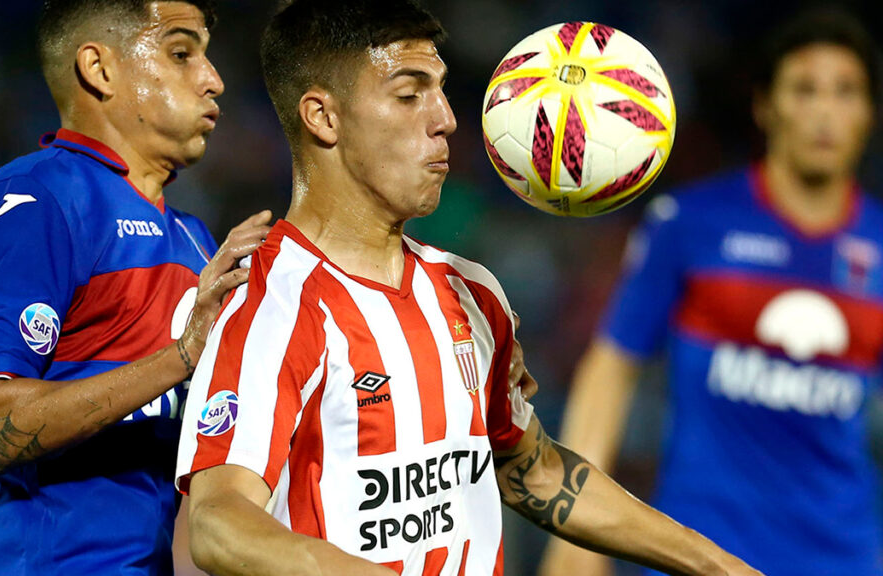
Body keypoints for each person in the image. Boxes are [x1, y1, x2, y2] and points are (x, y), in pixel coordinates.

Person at [173, 1, 763, 574]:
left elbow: (533, 472)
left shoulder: (470, 292)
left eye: (440, 89)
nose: (446, 118)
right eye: (409, 94)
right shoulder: (269, 304)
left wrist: (715, 564)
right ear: (323, 117)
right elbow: (219, 522)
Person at [540, 8, 883, 576]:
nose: (825, 111)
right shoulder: (689, 224)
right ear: (765, 106)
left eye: (846, 92)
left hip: (842, 557)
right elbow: (610, 370)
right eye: (804, 89)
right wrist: (575, 535)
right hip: (695, 553)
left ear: (869, 113)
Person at [0, 1, 272, 574]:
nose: (213, 79)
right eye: (180, 53)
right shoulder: (36, 200)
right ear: (99, 68)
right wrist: (182, 356)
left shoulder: (193, 240)